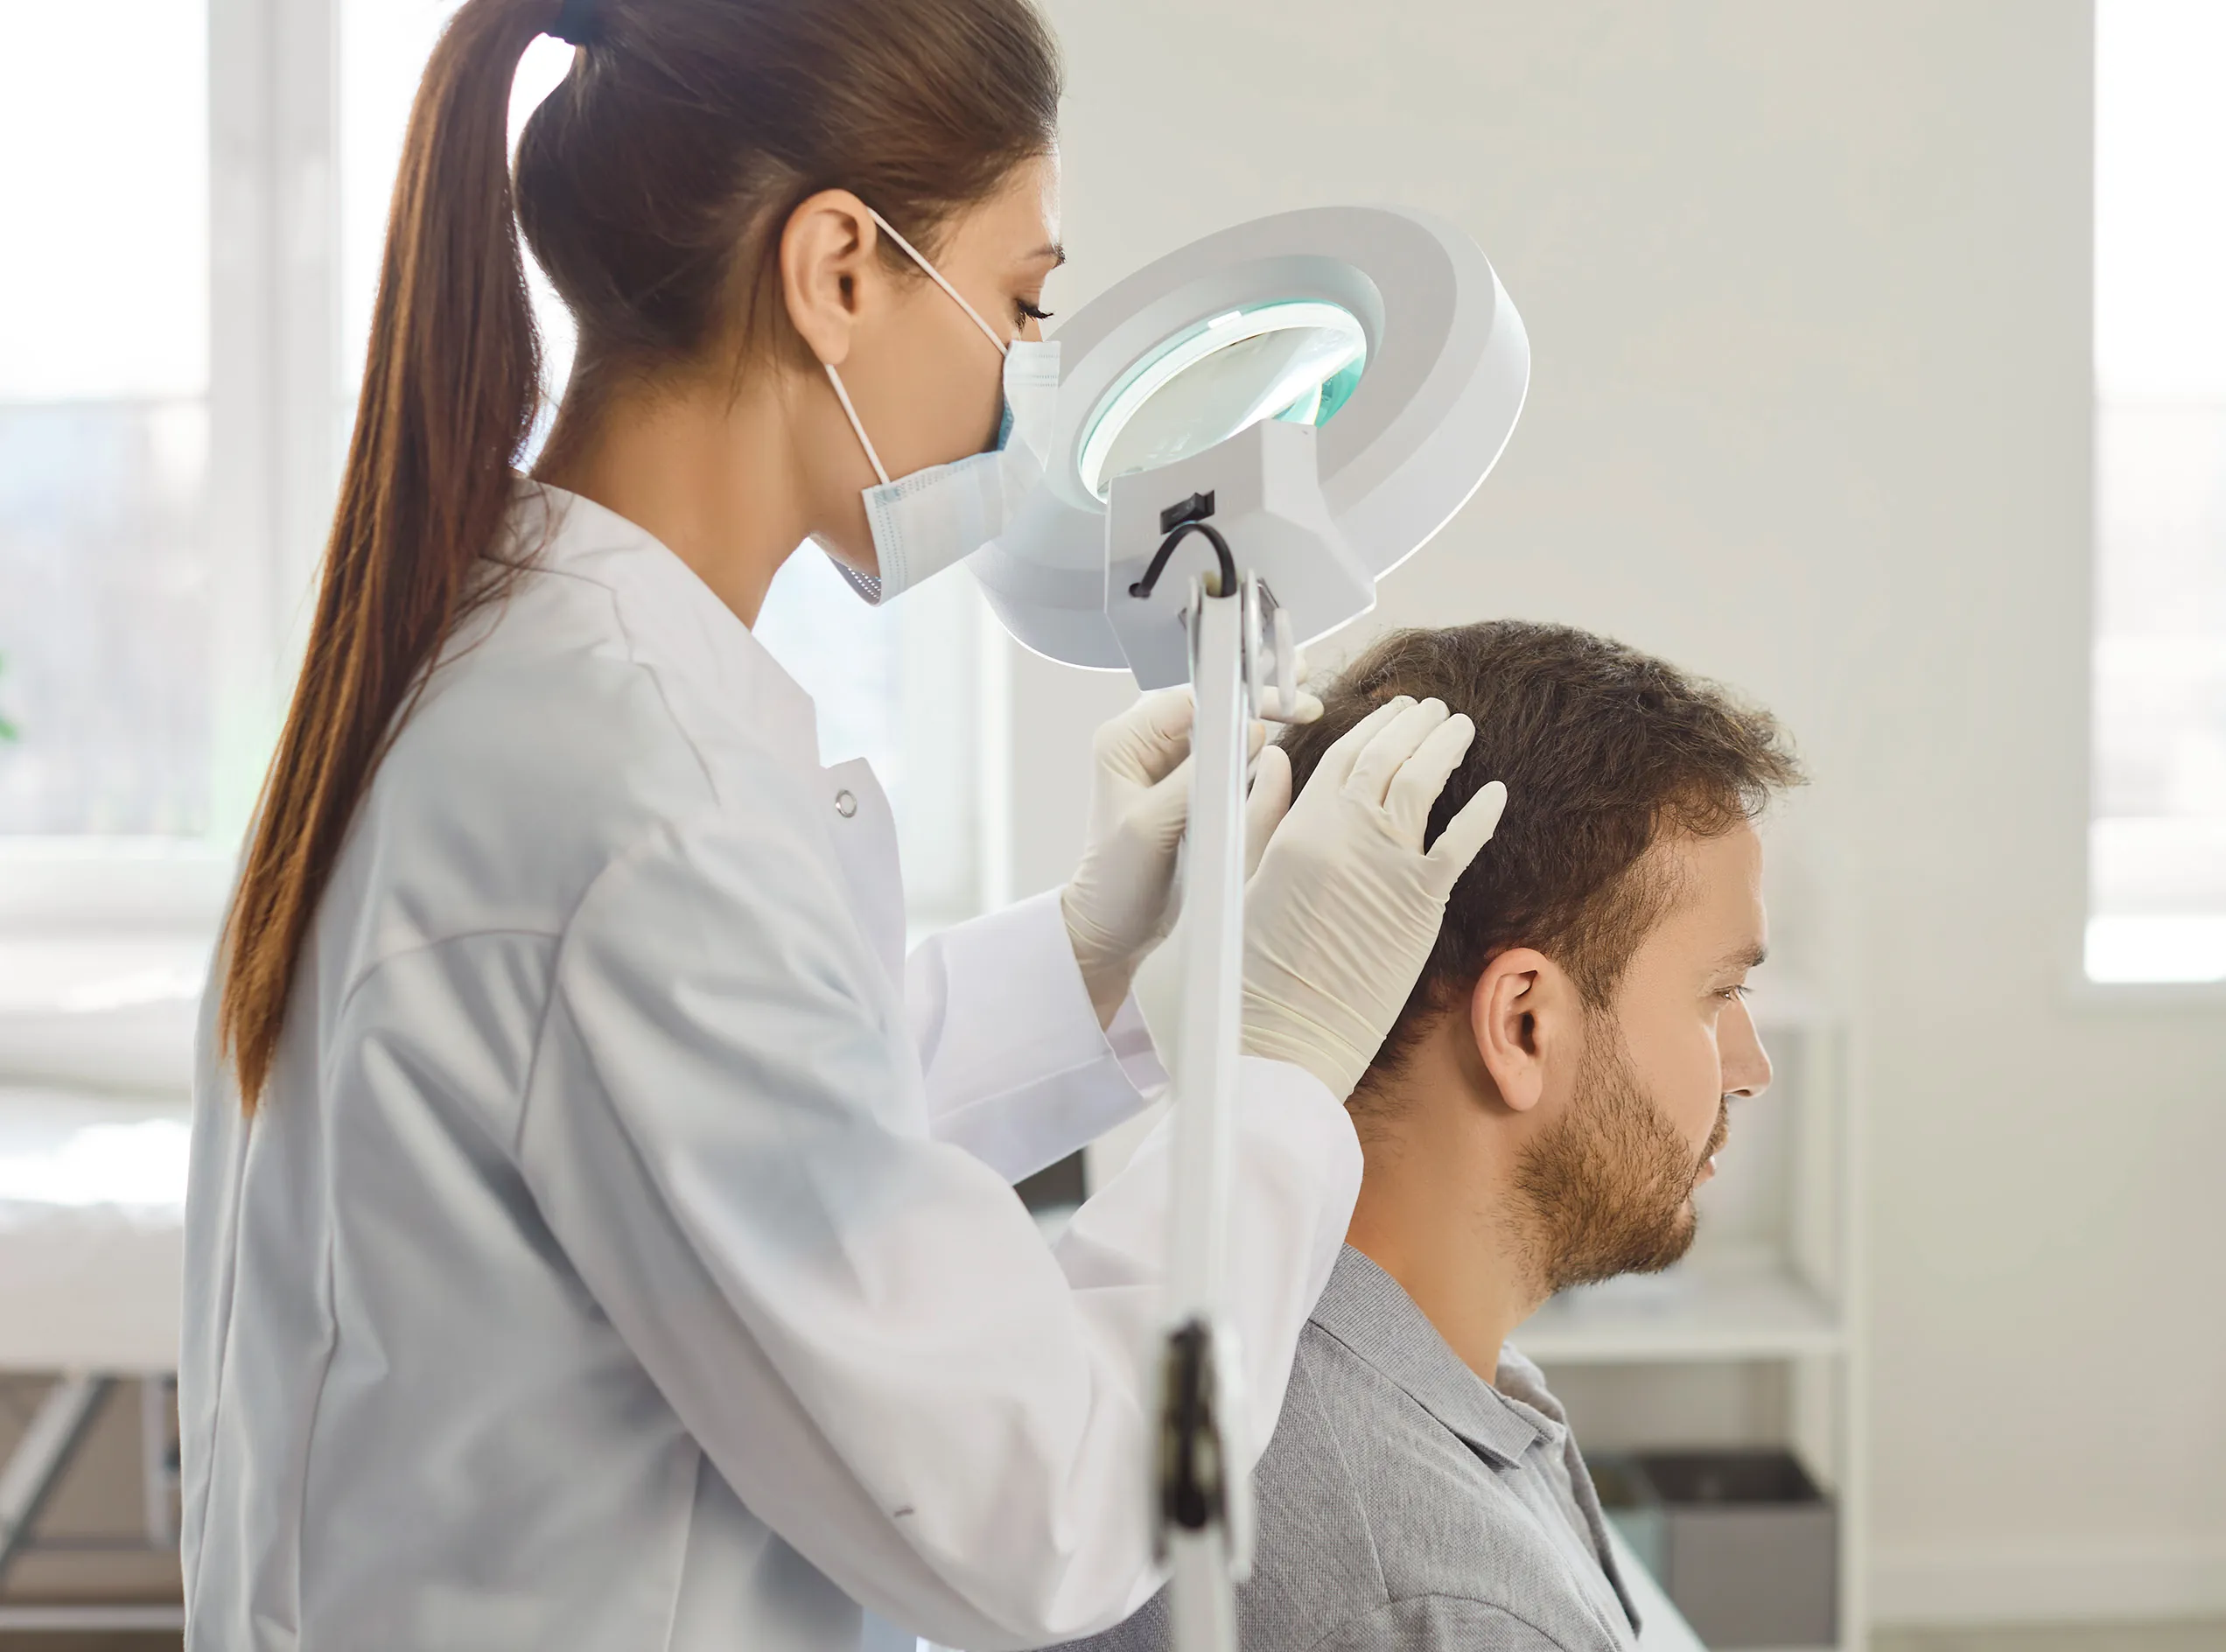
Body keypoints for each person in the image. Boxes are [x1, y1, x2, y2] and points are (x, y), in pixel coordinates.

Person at [177, 3, 1508, 1649]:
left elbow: (729, 1138)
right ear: (837, 273)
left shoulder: (496, 668)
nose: (1026, 384)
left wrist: (1082, 954)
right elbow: (1058, 1510)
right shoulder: (642, 805)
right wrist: (1278, 1076)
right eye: (1023, 303)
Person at [1063, 621, 1802, 1652]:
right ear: (1523, 1025)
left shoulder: (1396, 1373)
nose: (1751, 1066)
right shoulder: (1445, 1604)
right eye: (1719, 992)